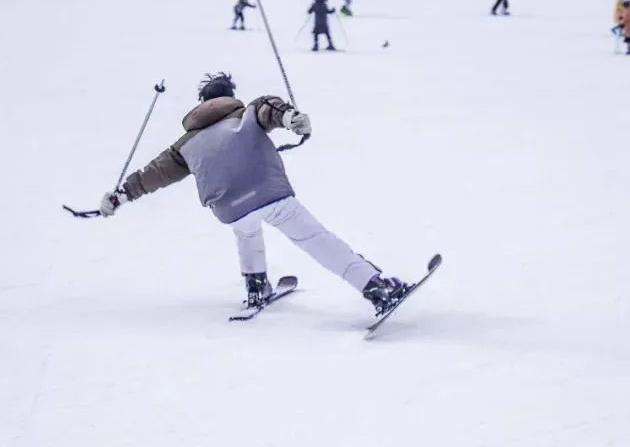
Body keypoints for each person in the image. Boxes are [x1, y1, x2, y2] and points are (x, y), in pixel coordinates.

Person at [98, 73, 409, 313]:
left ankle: (256, 286)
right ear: (229, 97)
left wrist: (120, 196)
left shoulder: (184, 145)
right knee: (316, 240)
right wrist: (292, 119)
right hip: (270, 195)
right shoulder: (247, 112)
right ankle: (376, 287)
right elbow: (270, 109)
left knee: (246, 231)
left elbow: (153, 175)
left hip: (230, 208)